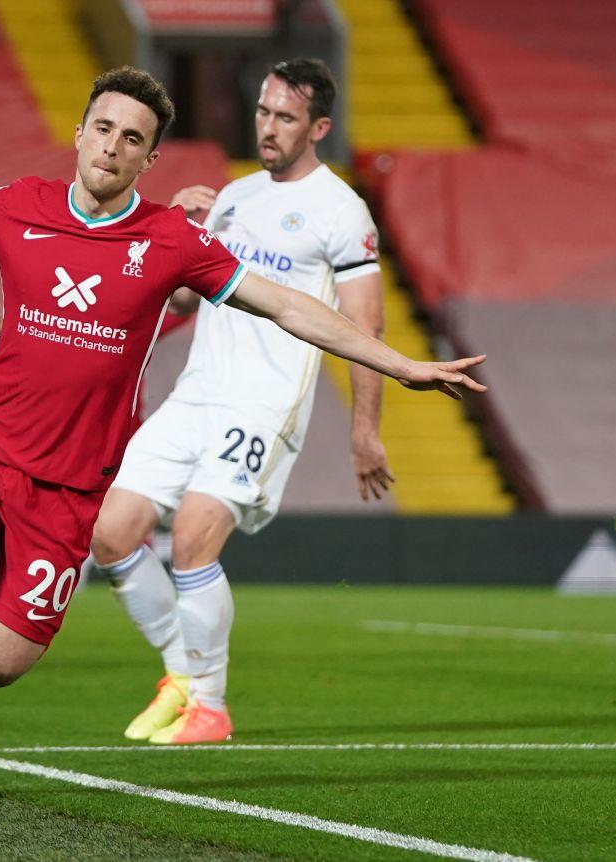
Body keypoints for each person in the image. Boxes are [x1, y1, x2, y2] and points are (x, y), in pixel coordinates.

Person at [0, 65, 486, 815]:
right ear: (78, 133)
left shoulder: (173, 242)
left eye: (131, 138)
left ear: (147, 157)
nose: (111, 146)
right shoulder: (16, 204)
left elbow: (287, 306)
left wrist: (400, 365)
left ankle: (1, 579)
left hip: (71, 484)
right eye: (102, 128)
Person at [89, 59, 393, 746]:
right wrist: (180, 227)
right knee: (110, 530)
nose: (267, 127)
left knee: (194, 537)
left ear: (318, 127)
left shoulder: (342, 213)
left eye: (285, 117)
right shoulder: (230, 197)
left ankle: (212, 707)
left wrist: (364, 430)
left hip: (262, 404)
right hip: (197, 394)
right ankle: (181, 677)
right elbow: (187, 298)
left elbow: (365, 328)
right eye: (261, 111)